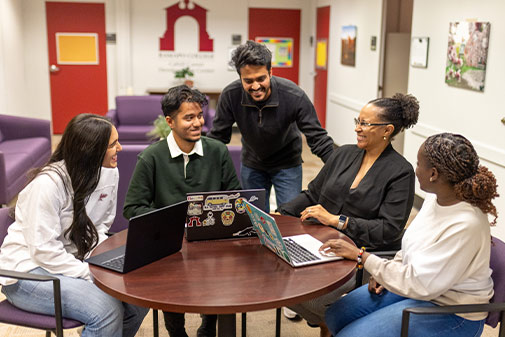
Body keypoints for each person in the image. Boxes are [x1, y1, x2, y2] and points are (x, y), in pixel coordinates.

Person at [323, 133, 498, 337]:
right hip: (425, 288)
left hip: (454, 311)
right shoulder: (437, 199)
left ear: (433, 174)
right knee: (336, 315)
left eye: (418, 163)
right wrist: (388, 272)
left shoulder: (466, 224)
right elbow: (412, 246)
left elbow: (422, 285)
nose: (415, 170)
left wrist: (364, 258)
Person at [278, 93, 420, 336]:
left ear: (387, 130)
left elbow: (389, 230)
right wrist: (279, 213)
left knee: (309, 297)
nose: (357, 128)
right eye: (358, 120)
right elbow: (312, 194)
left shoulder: (401, 172)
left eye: (365, 123)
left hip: (359, 256)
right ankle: (332, 325)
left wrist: (338, 221)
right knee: (279, 281)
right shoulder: (343, 153)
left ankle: (334, 325)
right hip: (319, 244)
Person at [0, 113, 148, 337]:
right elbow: (44, 250)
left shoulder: (109, 173)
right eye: (112, 144)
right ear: (91, 151)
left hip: (71, 262)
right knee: (106, 311)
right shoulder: (47, 186)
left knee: (138, 298)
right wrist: (90, 273)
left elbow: (100, 226)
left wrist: (105, 263)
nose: (120, 147)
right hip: (28, 272)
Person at [123, 85, 241, 337]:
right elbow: (132, 208)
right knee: (170, 271)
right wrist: (170, 225)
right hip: (169, 244)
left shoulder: (218, 151)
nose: (197, 122)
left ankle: (209, 324)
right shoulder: (151, 158)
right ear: (170, 121)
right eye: (189, 117)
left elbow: (235, 196)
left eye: (199, 116)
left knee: (219, 267)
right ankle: (176, 331)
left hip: (212, 241)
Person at [208, 40, 334, 213]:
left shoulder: (293, 95)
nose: (256, 86)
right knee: (254, 218)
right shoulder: (231, 95)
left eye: (261, 79)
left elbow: (318, 139)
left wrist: (341, 167)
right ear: (240, 78)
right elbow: (217, 137)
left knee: (290, 217)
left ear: (270, 72)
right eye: (248, 81)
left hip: (287, 165)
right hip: (252, 164)